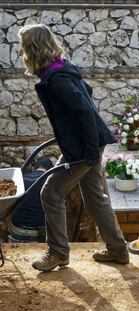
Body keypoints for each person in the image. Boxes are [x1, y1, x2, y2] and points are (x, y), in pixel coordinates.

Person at [18, 24, 129, 272]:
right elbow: (87, 93)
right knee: (95, 200)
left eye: (23, 47)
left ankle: (58, 252)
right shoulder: (62, 69)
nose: (22, 52)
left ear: (33, 49)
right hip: (86, 144)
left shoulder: (57, 79)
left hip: (83, 148)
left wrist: (88, 152)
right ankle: (118, 250)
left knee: (51, 193)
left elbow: (85, 112)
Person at [9, 157, 53, 243]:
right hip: (39, 235)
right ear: (50, 170)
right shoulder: (51, 182)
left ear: (33, 169)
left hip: (17, 231)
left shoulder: (19, 180)